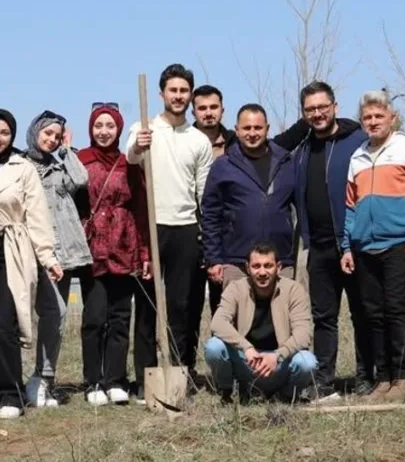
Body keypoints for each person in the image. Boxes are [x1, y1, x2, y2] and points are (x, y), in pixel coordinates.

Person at [0, 109, 61, 420]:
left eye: (4, 132)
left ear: (13, 136)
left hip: (13, 249)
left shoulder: (23, 169)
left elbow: (37, 216)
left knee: (5, 321)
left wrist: (47, 256)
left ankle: (10, 393)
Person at [125, 64, 214, 391]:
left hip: (186, 228)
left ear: (189, 96)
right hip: (151, 226)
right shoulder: (143, 128)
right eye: (172, 90)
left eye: (183, 91)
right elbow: (131, 158)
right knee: (147, 306)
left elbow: (203, 190)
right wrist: (139, 145)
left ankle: (180, 372)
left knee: (182, 305)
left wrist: (207, 231)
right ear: (161, 93)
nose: (178, 96)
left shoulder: (198, 141)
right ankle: (144, 378)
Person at [339, 91, 405, 403]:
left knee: (396, 309)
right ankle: (382, 378)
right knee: (372, 313)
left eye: (379, 116)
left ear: (392, 118)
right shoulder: (357, 157)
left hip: (397, 243)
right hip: (364, 247)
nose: (373, 122)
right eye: (368, 117)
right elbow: (350, 208)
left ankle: (403, 376)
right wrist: (347, 246)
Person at [291, 81, 372, 401]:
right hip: (318, 246)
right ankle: (324, 378)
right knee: (323, 317)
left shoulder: (358, 141)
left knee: (362, 312)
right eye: (310, 109)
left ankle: (367, 375)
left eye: (323, 107)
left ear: (335, 106)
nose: (318, 113)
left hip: (353, 244)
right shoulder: (302, 149)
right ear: (304, 114)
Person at [77, 103, 152, 406]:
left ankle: (115, 379)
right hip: (92, 248)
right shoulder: (80, 160)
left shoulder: (129, 163)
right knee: (94, 317)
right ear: (91, 129)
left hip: (125, 244)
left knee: (120, 316)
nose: (104, 132)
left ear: (119, 129)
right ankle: (93, 380)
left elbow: (142, 207)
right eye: (98, 126)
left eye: (110, 126)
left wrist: (144, 250)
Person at [23, 111, 91, 408]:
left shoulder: (60, 163)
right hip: (30, 250)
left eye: (57, 135)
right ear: (35, 132)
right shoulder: (22, 165)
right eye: (47, 134)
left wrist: (66, 150)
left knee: (56, 316)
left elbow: (81, 179)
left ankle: (43, 379)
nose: (51, 139)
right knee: (30, 316)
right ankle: (18, 380)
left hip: (61, 252)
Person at [205, 242, 316, 403]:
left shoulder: (293, 290)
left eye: (268, 266)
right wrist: (247, 348)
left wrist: (278, 355)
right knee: (214, 346)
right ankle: (229, 393)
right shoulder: (236, 288)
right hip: (247, 361)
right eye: (256, 266)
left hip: (279, 363)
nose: (262, 272)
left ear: (278, 267)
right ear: (247, 268)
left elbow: (304, 334)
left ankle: (285, 396)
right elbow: (217, 323)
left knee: (307, 361)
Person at [202, 104, 296, 285]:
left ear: (267, 129)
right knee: (240, 313)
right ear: (237, 130)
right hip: (236, 261)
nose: (252, 133)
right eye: (246, 128)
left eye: (258, 128)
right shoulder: (223, 165)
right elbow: (211, 215)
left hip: (280, 261)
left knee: (279, 313)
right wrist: (214, 259)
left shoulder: (286, 163)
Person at [192, 85, 234, 321]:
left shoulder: (236, 145)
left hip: (226, 238)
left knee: (226, 309)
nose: (208, 112)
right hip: (190, 235)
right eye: (202, 108)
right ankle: (184, 358)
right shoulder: (183, 143)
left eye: (213, 107)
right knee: (188, 309)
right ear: (194, 112)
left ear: (222, 110)